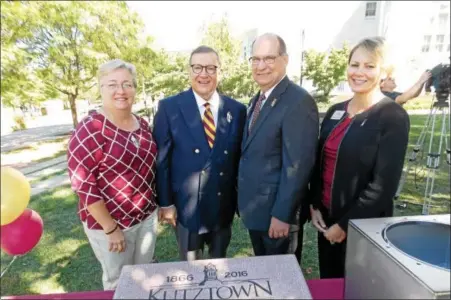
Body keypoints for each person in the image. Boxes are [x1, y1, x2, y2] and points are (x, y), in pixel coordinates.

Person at [309, 37, 410, 279]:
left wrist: (344, 226)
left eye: (369, 66)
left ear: (384, 72)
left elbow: (382, 186)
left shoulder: (392, 117)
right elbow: (319, 163)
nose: (359, 72)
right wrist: (313, 205)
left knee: (360, 288)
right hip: (327, 221)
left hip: (364, 227)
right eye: (355, 64)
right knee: (331, 283)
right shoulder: (336, 110)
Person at [67, 59, 159, 290]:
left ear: (135, 89)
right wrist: (110, 228)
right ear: (101, 89)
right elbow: (84, 186)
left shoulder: (143, 124)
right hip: (112, 226)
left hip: (146, 217)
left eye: (127, 84)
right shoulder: (89, 129)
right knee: (119, 284)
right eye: (112, 84)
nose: (121, 91)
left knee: (144, 276)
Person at [153, 46, 247, 261]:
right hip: (187, 210)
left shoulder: (237, 110)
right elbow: (162, 160)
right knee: (192, 271)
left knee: (218, 265)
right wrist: (166, 203)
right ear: (189, 71)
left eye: (210, 68)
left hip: (223, 207)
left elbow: (239, 159)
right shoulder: (170, 107)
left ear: (219, 72)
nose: (203, 74)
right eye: (197, 67)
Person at [237, 33, 319, 256]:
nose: (261, 66)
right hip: (258, 213)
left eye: (269, 58)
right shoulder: (258, 99)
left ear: (285, 59)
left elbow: (298, 166)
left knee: (283, 285)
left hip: (278, 218)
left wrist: (283, 214)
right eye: (255, 59)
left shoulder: (298, 101)